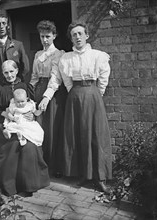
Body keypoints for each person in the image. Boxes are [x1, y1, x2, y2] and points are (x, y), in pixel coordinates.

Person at [41, 21, 112, 193]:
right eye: (74, 34)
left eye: (80, 33)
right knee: (77, 135)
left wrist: (95, 94)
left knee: (96, 134)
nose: (77, 37)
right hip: (75, 95)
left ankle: (100, 177)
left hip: (93, 94)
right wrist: (73, 93)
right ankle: (82, 174)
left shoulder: (98, 55)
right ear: (70, 38)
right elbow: (63, 80)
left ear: (87, 35)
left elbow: (103, 78)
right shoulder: (66, 58)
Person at [0, 60, 50, 197]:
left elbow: (32, 105)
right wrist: (6, 115)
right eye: (6, 72)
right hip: (4, 122)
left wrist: (32, 115)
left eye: (11, 71)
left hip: (25, 124)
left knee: (30, 147)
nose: (9, 75)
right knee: (13, 145)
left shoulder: (24, 86)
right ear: (2, 73)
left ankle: (29, 184)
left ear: (17, 70)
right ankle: (11, 184)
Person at [29, 20, 68, 177]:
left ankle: (53, 167)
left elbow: (55, 78)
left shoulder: (59, 54)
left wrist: (46, 98)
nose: (45, 40)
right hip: (38, 91)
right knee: (37, 128)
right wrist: (29, 94)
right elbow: (33, 77)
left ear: (54, 36)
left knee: (51, 128)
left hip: (52, 94)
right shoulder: (38, 55)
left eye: (48, 36)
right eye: (42, 36)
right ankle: (39, 164)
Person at [0, 12, 30, 85]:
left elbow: (25, 67)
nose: (1, 26)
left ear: (7, 26)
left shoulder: (18, 45)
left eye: (4, 23)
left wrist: (18, 80)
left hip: (16, 85)